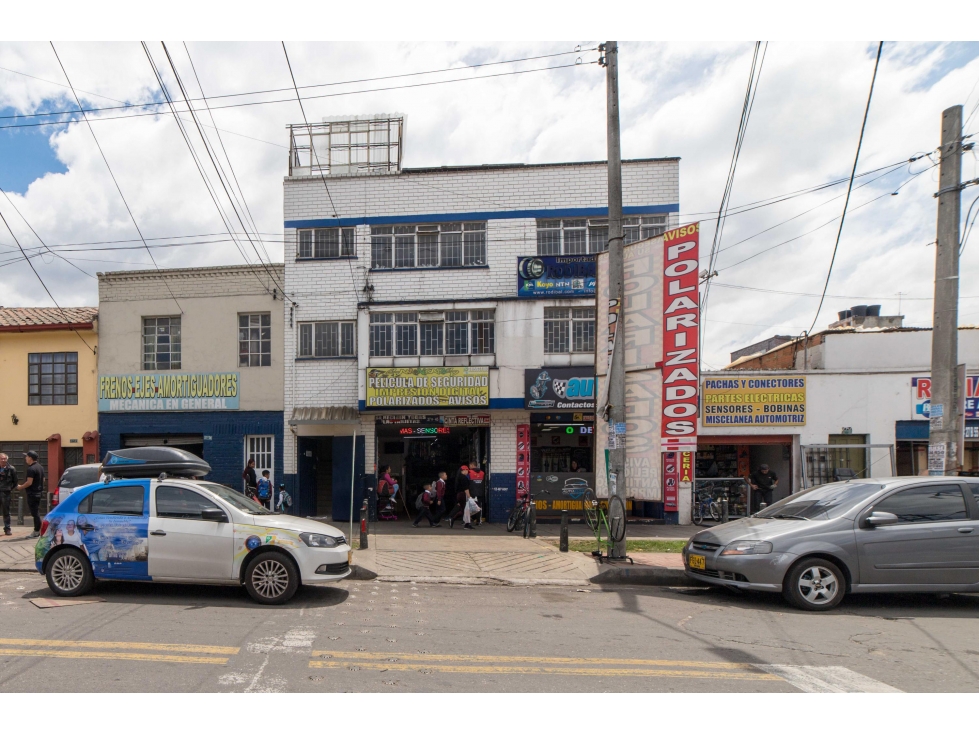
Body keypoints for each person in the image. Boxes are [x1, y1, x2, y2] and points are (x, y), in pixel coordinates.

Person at [16, 451, 45, 538]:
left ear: (30, 458)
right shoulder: (40, 467)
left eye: (27, 457)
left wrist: (21, 487)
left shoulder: (31, 469)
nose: (26, 458)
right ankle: (39, 529)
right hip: (39, 493)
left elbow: (29, 482)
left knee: (34, 513)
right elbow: (43, 480)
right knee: (36, 512)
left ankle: (37, 531)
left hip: (32, 493)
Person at [449, 465, 472, 529]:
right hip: (463, 495)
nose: (468, 472)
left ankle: (467, 524)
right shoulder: (464, 478)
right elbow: (466, 488)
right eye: (467, 470)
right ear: (464, 470)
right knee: (464, 510)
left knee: (465, 510)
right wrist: (469, 497)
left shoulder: (458, 477)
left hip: (459, 495)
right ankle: (453, 519)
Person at [0, 453, 17, 536]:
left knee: (6, 512)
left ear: (7, 459)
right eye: (1, 459)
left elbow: (15, 482)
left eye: (4, 459)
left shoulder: (11, 469)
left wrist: (9, 488)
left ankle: (7, 528)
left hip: (6, 493)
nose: (3, 460)